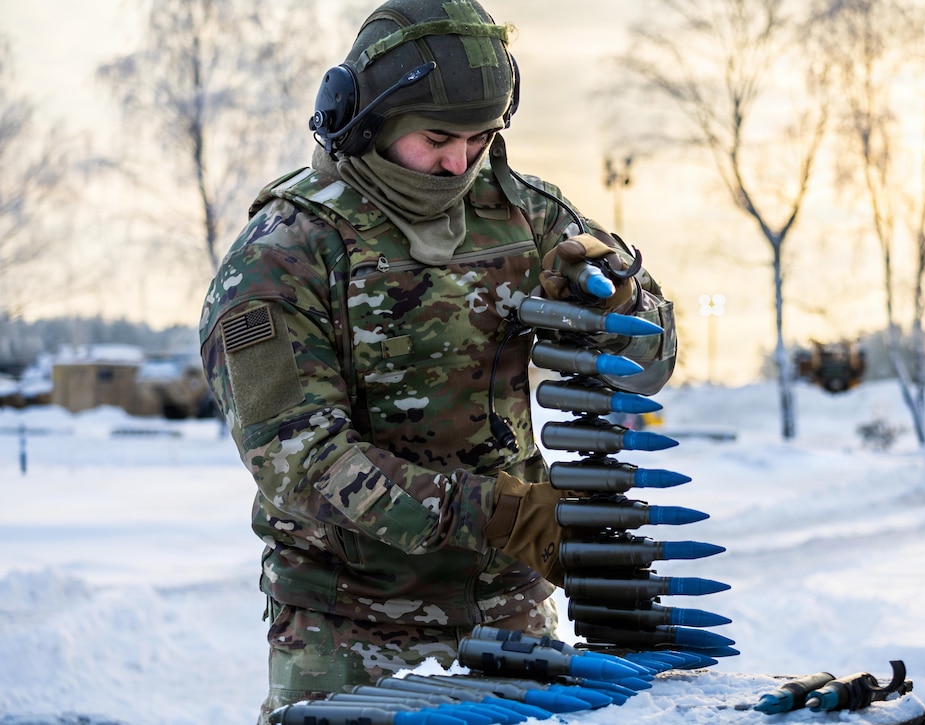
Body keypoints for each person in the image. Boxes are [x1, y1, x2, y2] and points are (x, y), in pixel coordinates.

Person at [198, 0, 676, 720]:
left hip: (511, 619)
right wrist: (499, 515)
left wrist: (619, 306)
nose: (460, 162)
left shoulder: (527, 215)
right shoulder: (282, 255)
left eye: (482, 138)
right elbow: (302, 463)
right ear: (364, 119)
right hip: (351, 633)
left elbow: (653, 364)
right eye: (437, 138)